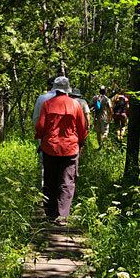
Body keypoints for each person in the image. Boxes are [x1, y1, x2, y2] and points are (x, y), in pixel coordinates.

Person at [35, 76, 88, 226]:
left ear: (55, 89)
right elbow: (82, 128)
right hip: (70, 148)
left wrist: (41, 138)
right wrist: (81, 142)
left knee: (50, 180)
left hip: (49, 147)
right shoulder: (76, 105)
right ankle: (62, 216)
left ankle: (50, 213)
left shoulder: (47, 104)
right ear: (68, 89)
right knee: (67, 182)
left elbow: (40, 126)